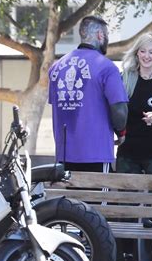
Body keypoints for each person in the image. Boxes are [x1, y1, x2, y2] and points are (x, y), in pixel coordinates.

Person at [114, 33, 152, 261]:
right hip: (129, 150)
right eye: (143, 51)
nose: (147, 56)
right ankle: (126, 256)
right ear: (136, 53)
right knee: (127, 202)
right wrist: (119, 133)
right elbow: (115, 112)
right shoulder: (125, 79)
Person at [48, 15, 128, 173]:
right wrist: (121, 132)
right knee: (97, 198)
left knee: (69, 198)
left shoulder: (56, 67)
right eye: (106, 35)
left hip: (64, 156)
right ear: (100, 35)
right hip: (96, 154)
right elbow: (119, 110)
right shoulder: (107, 67)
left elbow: (58, 106)